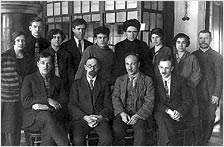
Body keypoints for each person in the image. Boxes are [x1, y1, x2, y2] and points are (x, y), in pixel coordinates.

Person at [20, 52, 69, 146]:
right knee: (48, 117)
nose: (45, 66)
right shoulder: (29, 79)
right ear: (38, 64)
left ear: (52, 65)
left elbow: (63, 100)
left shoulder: (58, 80)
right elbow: (25, 101)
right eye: (42, 63)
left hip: (53, 116)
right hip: (33, 119)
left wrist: (48, 107)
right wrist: (47, 100)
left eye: (48, 63)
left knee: (49, 125)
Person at [69, 57, 113, 145]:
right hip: (82, 119)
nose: (92, 69)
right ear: (85, 67)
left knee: (107, 139)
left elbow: (108, 106)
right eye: (89, 66)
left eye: (95, 66)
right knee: (77, 140)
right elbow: (72, 105)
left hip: (99, 118)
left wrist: (100, 117)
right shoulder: (77, 84)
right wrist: (85, 117)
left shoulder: (104, 84)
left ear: (99, 67)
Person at [112, 54, 155, 145]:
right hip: (123, 113)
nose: (129, 67)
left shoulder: (147, 80)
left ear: (138, 64)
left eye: (132, 64)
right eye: (127, 64)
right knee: (117, 129)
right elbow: (115, 98)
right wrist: (122, 113)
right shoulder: (120, 80)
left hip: (140, 114)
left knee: (140, 131)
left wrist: (138, 115)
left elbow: (149, 101)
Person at [1, 31, 34, 146]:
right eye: (18, 40)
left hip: (24, 97)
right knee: (10, 129)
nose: (21, 43)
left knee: (24, 125)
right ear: (13, 42)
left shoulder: (28, 57)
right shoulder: (5, 56)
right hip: (9, 99)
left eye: (23, 40)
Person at [193, 30, 223, 145]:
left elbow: (220, 77)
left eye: (206, 38)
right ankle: (198, 140)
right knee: (197, 117)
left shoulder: (217, 57)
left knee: (209, 118)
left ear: (211, 40)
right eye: (201, 38)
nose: (203, 41)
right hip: (196, 93)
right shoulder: (194, 55)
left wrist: (216, 94)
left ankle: (205, 141)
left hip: (211, 94)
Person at [154, 55, 192, 146]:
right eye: (161, 67)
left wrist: (179, 112)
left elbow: (188, 100)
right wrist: (169, 111)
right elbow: (155, 102)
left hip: (177, 115)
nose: (163, 71)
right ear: (158, 67)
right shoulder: (154, 81)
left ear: (172, 68)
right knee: (161, 117)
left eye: (167, 68)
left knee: (164, 126)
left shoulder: (181, 80)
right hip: (162, 113)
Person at [173, 33, 202, 145]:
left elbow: (197, 74)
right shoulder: (172, 57)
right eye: (178, 42)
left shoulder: (192, 58)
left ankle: (194, 142)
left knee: (192, 115)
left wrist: (187, 86)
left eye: (183, 42)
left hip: (189, 90)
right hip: (176, 91)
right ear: (175, 44)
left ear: (187, 44)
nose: (181, 45)